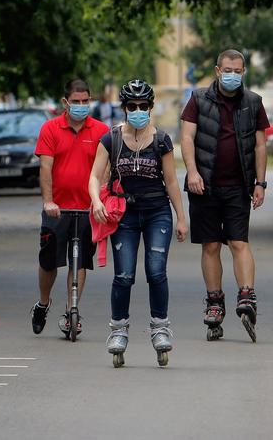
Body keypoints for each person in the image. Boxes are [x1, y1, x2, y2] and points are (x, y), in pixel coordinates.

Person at [89, 79, 188, 366]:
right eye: (132, 106)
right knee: (124, 275)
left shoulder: (162, 140)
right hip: (125, 215)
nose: (138, 110)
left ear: (150, 107)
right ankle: (118, 329)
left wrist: (181, 218)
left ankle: (160, 328)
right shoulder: (111, 139)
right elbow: (95, 177)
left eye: (143, 106)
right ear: (124, 108)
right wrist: (96, 201)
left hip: (157, 211)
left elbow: (170, 180)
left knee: (156, 271)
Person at [180, 49, 270, 343]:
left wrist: (261, 183)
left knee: (238, 242)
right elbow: (187, 138)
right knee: (210, 246)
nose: (232, 75)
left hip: (238, 186)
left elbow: (260, 146)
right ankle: (215, 302)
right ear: (218, 70)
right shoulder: (198, 99)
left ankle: (247, 296)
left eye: (238, 71)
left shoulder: (253, 103)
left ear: (243, 72)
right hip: (204, 186)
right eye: (227, 70)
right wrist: (192, 172)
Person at [30, 78, 109, 337]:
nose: (81, 106)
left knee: (80, 261)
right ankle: (43, 303)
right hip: (58, 208)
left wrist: (101, 200)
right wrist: (48, 200)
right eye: (76, 102)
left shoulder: (100, 131)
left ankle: (71, 309)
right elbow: (45, 168)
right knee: (49, 261)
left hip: (88, 208)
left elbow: (105, 169)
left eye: (86, 101)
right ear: (66, 102)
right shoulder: (51, 129)